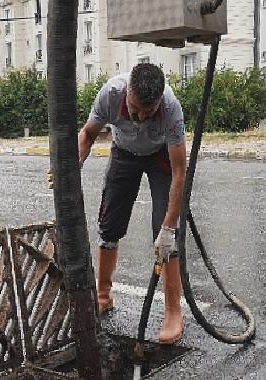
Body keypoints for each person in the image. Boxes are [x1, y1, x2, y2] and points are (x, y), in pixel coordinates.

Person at [80, 63, 187, 344]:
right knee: (110, 224)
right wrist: (72, 165)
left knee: (166, 234)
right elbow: (89, 134)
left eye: (147, 112)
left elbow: (179, 174)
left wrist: (168, 229)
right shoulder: (111, 94)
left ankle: (174, 313)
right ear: (127, 91)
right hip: (124, 153)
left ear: (159, 103)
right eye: (135, 108)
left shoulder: (172, 110)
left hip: (159, 155)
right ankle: (103, 296)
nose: (140, 116)